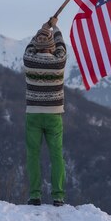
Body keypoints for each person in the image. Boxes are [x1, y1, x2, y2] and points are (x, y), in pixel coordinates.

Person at [23, 16, 67, 207]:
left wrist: (42, 29)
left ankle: (35, 195)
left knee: (33, 155)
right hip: (54, 115)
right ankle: (58, 196)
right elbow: (61, 46)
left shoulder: (29, 60)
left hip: (33, 114)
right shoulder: (58, 63)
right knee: (56, 155)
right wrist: (54, 28)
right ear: (51, 47)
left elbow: (30, 47)